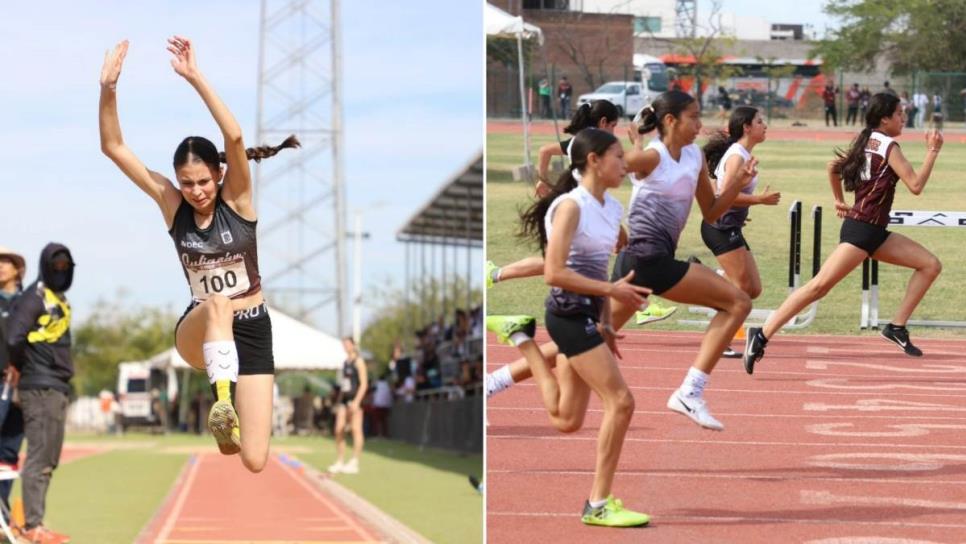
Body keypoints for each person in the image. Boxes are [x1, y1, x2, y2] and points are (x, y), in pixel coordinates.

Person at [98, 38, 299, 470]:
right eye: (186, 184)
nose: (196, 192)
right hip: (202, 329)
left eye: (204, 182)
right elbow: (115, 148)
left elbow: (235, 135)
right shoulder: (173, 207)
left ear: (219, 173)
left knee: (255, 460)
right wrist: (109, 89)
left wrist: (194, 77)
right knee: (219, 303)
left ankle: (230, 419)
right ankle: (221, 405)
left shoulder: (239, 202)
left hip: (254, 328)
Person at [744, 93, 943, 373]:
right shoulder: (887, 145)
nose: (904, 118)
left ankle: (896, 327)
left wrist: (839, 199)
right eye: (900, 114)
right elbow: (916, 185)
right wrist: (933, 151)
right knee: (818, 286)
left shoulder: (868, 140)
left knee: (930, 264)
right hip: (862, 231)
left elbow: (833, 168)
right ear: (885, 118)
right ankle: (761, 334)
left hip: (873, 231)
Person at [516, 127, 650, 527]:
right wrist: (609, 291)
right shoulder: (570, 207)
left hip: (591, 317)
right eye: (619, 158)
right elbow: (554, 272)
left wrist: (607, 321)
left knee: (566, 419)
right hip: (567, 315)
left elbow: (600, 269)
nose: (626, 165)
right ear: (594, 160)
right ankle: (598, 504)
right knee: (622, 402)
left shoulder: (610, 208)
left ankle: (521, 339)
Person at [6, 243, 76, 543]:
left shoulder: (57, 298)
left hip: (57, 385)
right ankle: (32, 525)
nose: (60, 271)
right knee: (38, 457)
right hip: (39, 385)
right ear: (44, 266)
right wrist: (27, 364)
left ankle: (38, 523)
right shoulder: (32, 297)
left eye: (65, 267)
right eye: (55, 266)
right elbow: (13, 337)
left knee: (50, 457)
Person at [700, 107, 781, 357]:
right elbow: (724, 196)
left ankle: (704, 276)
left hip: (730, 226)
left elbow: (727, 192)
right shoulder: (737, 156)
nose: (765, 125)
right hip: (720, 228)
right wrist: (759, 199)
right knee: (740, 289)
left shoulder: (741, 153)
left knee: (753, 288)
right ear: (747, 127)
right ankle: (718, 340)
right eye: (760, 121)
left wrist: (742, 210)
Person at [534, 100, 621, 197]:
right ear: (603, 122)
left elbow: (544, 151)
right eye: (613, 125)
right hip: (586, 197)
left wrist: (542, 180)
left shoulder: (577, 140)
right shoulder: (598, 143)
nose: (613, 132)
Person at [0, 247, 26, 529]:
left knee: (9, 449)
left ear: (18, 269)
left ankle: (2, 512)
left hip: (21, 387)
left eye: (6, 262)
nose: (1, 267)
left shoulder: (27, 302)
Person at [328, 338, 369, 474]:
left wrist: (357, 401)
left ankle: (354, 461)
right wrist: (339, 401)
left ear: (353, 345)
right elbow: (344, 385)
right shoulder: (345, 363)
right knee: (338, 429)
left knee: (356, 430)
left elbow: (364, 384)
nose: (345, 347)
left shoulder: (359, 362)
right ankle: (340, 460)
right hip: (345, 401)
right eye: (343, 344)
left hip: (355, 401)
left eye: (347, 344)